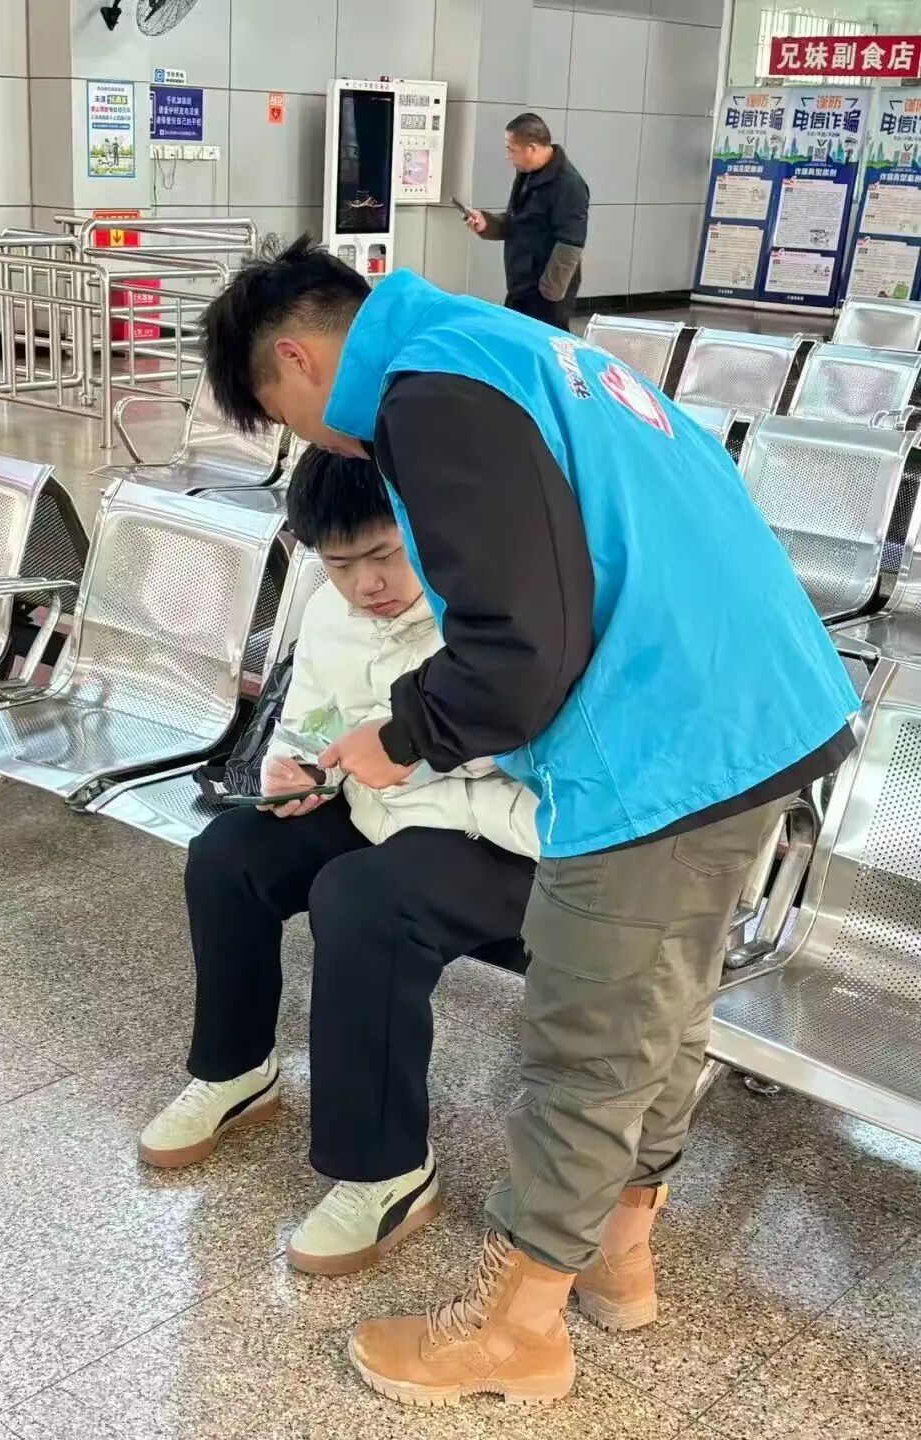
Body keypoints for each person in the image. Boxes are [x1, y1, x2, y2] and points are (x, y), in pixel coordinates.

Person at [198, 237, 858, 1408]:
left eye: (287, 419)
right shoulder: (505, 345)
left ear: (295, 359)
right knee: (665, 1005)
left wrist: (401, 737)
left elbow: (518, 649)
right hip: (756, 710)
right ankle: (619, 1254)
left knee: (588, 1038)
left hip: (662, 739)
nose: (317, 442)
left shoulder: (426, 393)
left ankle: (517, 1329)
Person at [139, 446, 538, 1278]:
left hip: (499, 835)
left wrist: (403, 750)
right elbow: (310, 722)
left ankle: (386, 1170)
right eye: (342, 564)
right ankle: (236, 1070)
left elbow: (527, 754)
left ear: (426, 529)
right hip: (377, 811)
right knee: (229, 853)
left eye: (385, 555)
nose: (368, 584)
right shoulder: (328, 610)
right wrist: (293, 773)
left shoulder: (493, 614)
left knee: (363, 900)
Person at [465, 112, 588, 330]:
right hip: (521, 283)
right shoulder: (527, 174)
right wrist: (487, 224)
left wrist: (548, 294)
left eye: (511, 149)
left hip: (546, 292)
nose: (508, 156)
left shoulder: (569, 185)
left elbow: (570, 245)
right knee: (513, 338)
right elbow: (518, 221)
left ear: (531, 148)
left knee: (543, 343)